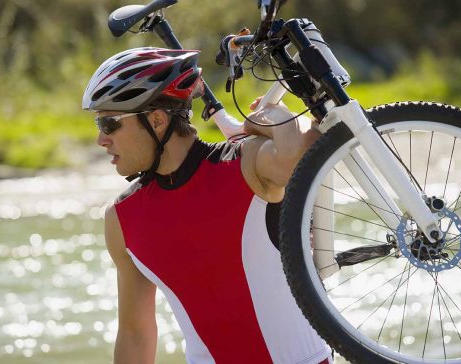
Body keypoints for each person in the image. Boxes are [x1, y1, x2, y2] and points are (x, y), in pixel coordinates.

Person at [82, 47, 332, 364]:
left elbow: (300, 153)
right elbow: (135, 334)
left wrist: (270, 117)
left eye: (109, 124)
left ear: (157, 120)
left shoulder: (246, 164)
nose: (101, 140)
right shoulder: (121, 218)